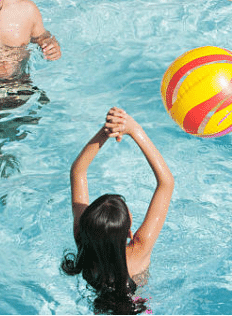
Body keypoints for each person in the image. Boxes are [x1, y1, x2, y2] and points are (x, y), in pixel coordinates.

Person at [61, 107, 175, 315]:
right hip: (137, 306)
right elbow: (166, 182)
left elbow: (78, 171)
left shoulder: (83, 242)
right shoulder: (139, 249)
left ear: (86, 223)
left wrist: (107, 130)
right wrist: (134, 130)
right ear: (129, 233)